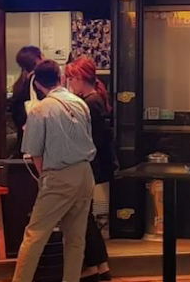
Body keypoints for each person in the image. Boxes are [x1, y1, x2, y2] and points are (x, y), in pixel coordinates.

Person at [13, 59, 96, 282]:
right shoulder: (80, 104)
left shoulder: (40, 110)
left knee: (35, 235)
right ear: (60, 78)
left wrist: (46, 178)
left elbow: (34, 153)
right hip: (85, 173)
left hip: (59, 175)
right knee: (76, 238)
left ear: (37, 84)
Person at [66, 57, 116, 281]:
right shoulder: (94, 99)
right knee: (84, 214)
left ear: (78, 78)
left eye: (70, 78)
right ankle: (99, 266)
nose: (69, 83)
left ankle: (98, 266)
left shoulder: (89, 103)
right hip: (96, 164)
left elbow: (92, 139)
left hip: (90, 165)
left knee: (83, 214)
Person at [9, 45, 43, 157]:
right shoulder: (36, 82)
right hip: (33, 142)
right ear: (37, 60)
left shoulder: (20, 84)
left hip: (23, 139)